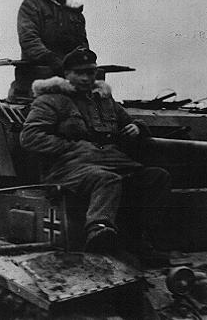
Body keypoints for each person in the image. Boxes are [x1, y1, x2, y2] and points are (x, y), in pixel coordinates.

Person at [20, 47, 170, 258]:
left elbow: (129, 122)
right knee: (107, 180)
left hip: (110, 162)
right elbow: (31, 137)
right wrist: (72, 147)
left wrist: (137, 127)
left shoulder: (104, 100)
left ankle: (140, 239)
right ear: (67, 74)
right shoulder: (51, 101)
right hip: (66, 168)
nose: (85, 78)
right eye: (79, 72)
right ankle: (98, 231)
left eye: (90, 72)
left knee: (156, 177)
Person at [10, 0, 89, 100]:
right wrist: (52, 59)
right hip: (37, 78)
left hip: (69, 78)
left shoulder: (75, 12)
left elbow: (82, 44)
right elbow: (29, 39)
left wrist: (82, 62)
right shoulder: (32, 4)